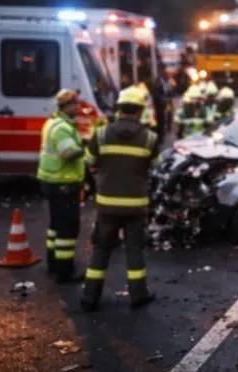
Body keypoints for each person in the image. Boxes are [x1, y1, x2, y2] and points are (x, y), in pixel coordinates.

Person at [81, 86, 158, 312]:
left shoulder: (102, 134)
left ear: (119, 109)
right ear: (139, 111)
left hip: (107, 205)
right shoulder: (149, 138)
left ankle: (89, 297)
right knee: (134, 250)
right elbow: (156, 166)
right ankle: (138, 295)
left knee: (101, 249)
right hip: (135, 206)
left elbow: (89, 162)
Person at [36, 89, 85, 283]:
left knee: (55, 225)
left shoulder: (52, 123)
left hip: (51, 182)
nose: (78, 107)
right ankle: (65, 271)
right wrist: (86, 147)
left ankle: (53, 263)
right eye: (75, 104)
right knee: (68, 227)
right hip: (63, 183)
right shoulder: (62, 128)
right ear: (66, 107)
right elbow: (68, 153)